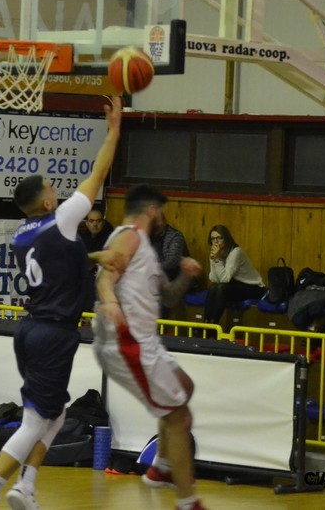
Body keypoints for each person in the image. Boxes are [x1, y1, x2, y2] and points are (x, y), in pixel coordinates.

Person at [0, 97, 123, 510]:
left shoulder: (23, 234)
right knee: (35, 421)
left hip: (31, 330)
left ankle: (26, 486)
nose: (58, 190)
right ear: (48, 203)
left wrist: (95, 256)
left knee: (56, 414)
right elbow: (97, 174)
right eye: (53, 187)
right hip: (53, 333)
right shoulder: (63, 219)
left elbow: (61, 265)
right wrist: (114, 131)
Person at [93, 185, 206, 510]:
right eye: (163, 212)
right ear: (153, 210)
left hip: (145, 343)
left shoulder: (145, 248)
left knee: (185, 387)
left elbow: (168, 297)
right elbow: (104, 279)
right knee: (178, 417)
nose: (164, 218)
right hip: (126, 343)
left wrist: (185, 275)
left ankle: (162, 468)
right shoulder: (128, 237)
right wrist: (111, 302)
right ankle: (187, 501)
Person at [204, 225, 264, 326]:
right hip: (235, 285)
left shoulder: (236, 252)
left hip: (254, 288)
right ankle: (206, 324)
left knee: (221, 288)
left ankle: (213, 325)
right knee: (213, 287)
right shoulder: (216, 253)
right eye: (213, 239)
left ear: (226, 238)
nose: (216, 242)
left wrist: (217, 259)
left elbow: (225, 279)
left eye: (219, 238)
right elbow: (214, 279)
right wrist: (214, 259)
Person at [151, 213, 191, 318]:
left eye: (157, 223)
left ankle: (160, 322)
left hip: (177, 277)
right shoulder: (148, 236)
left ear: (164, 222)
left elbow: (172, 262)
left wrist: (151, 267)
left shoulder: (175, 236)